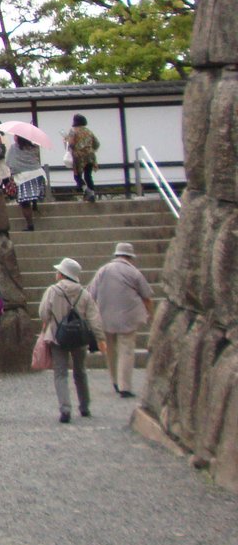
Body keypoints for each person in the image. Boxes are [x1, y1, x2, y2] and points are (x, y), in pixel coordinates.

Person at [38, 257, 103, 424]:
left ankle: (65, 408)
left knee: (60, 373)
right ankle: (84, 405)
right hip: (79, 337)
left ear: (62, 274)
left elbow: (43, 313)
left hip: (57, 336)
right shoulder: (84, 293)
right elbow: (94, 318)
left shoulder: (53, 291)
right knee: (80, 371)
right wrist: (100, 338)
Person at [87, 241, 155, 398]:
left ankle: (115, 381)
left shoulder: (103, 270)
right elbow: (147, 296)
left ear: (116, 255)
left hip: (104, 316)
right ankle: (125, 386)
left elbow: (90, 293)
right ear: (130, 257)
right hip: (128, 317)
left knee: (110, 351)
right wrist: (150, 314)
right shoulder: (134, 272)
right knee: (126, 350)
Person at [6, 134, 46, 230]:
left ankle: (30, 225)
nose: (14, 137)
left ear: (18, 137)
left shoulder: (13, 147)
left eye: (15, 136)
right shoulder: (33, 146)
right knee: (33, 193)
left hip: (23, 177)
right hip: (38, 174)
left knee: (24, 202)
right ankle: (35, 204)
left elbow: (9, 162)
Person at [64, 113, 100, 203]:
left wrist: (67, 141)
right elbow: (97, 144)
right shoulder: (89, 131)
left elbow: (71, 144)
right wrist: (90, 149)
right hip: (90, 156)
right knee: (88, 176)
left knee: (77, 176)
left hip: (79, 156)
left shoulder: (73, 131)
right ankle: (92, 193)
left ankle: (86, 190)